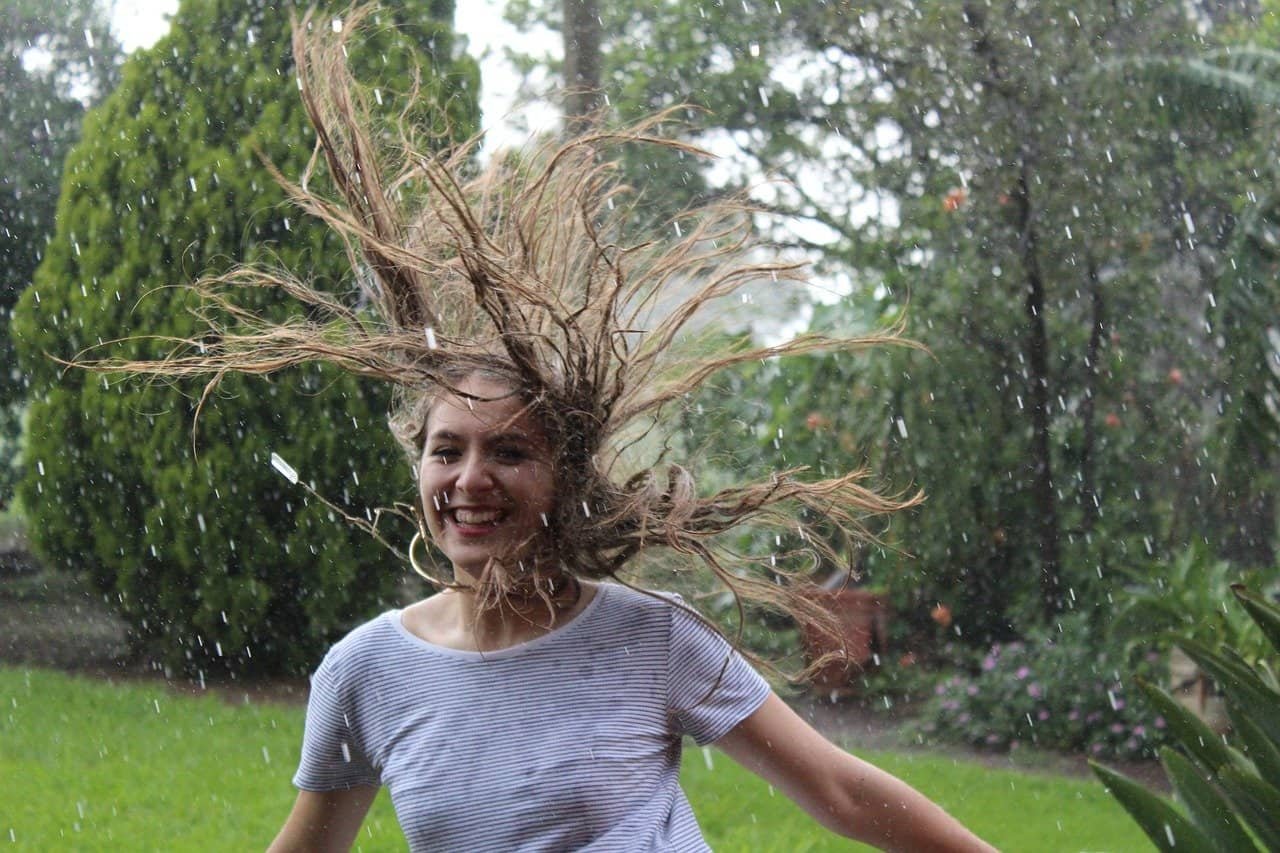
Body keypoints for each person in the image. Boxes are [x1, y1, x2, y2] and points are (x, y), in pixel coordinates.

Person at [104, 7, 996, 850]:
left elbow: (836, 791)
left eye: (511, 451)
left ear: (564, 477)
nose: (469, 479)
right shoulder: (364, 672)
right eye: (446, 449)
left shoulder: (654, 636)